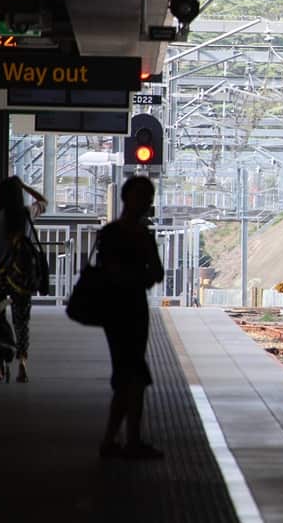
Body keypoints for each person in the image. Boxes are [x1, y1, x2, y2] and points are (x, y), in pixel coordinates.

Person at [97, 176, 164, 459]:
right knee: (132, 377)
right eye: (143, 198)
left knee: (130, 376)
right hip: (127, 310)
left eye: (148, 198)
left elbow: (105, 269)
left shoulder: (111, 233)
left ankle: (119, 440)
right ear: (128, 199)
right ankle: (121, 441)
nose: (147, 204)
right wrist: (139, 278)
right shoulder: (137, 235)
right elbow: (156, 272)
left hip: (124, 310)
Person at [0, 177, 47, 383]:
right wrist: (25, 187)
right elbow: (44, 201)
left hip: (1, 276)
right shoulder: (27, 213)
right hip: (22, 276)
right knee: (22, 322)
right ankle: (22, 363)